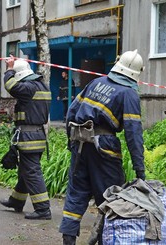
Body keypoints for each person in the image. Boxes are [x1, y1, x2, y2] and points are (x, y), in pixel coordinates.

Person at [59, 50, 146, 245]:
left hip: (80, 142)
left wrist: (71, 142)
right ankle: (107, 240)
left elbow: (72, 111)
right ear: (136, 73)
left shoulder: (96, 82)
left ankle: (68, 239)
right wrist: (140, 171)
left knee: (76, 192)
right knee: (112, 197)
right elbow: (133, 134)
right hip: (104, 147)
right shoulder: (129, 93)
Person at [0, 55, 52, 220]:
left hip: (29, 137)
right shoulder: (42, 86)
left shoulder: (28, 88)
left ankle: (43, 209)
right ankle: (16, 201)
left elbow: (10, 86)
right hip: (36, 135)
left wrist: (9, 69)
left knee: (32, 172)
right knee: (25, 170)